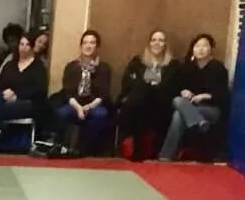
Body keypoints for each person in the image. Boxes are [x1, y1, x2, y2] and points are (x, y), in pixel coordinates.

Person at [159, 32, 230, 162]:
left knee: (179, 114)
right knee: (177, 102)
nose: (200, 49)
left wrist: (205, 96)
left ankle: (165, 156)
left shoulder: (218, 67)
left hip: (210, 109)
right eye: (197, 46)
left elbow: (223, 95)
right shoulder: (187, 67)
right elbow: (175, 87)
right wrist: (183, 91)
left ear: (211, 49)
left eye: (204, 46)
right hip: (190, 106)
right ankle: (198, 122)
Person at [46, 29, 113, 157]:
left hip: (94, 104)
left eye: (92, 43)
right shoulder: (72, 67)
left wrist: (89, 106)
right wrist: (78, 108)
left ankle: (85, 148)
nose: (88, 46)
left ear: (97, 46)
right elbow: (68, 92)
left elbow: (103, 93)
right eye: (85, 43)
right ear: (81, 46)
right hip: (74, 103)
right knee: (62, 113)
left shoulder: (104, 68)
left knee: (101, 115)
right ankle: (62, 146)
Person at [115, 30, 179, 161]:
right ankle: (134, 147)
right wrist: (147, 85)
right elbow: (127, 82)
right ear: (149, 43)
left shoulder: (173, 65)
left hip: (160, 104)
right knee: (141, 93)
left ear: (165, 44)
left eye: (161, 40)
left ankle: (135, 147)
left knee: (142, 92)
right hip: (139, 104)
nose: (157, 43)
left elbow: (172, 88)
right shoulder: (137, 61)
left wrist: (150, 86)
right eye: (154, 40)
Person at [0, 31, 48, 153]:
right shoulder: (9, 65)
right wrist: (6, 92)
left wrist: (17, 93)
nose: (23, 48)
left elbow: (40, 89)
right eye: (21, 44)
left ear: (32, 46)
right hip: (6, 101)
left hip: (27, 102)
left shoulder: (38, 66)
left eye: (27, 45)